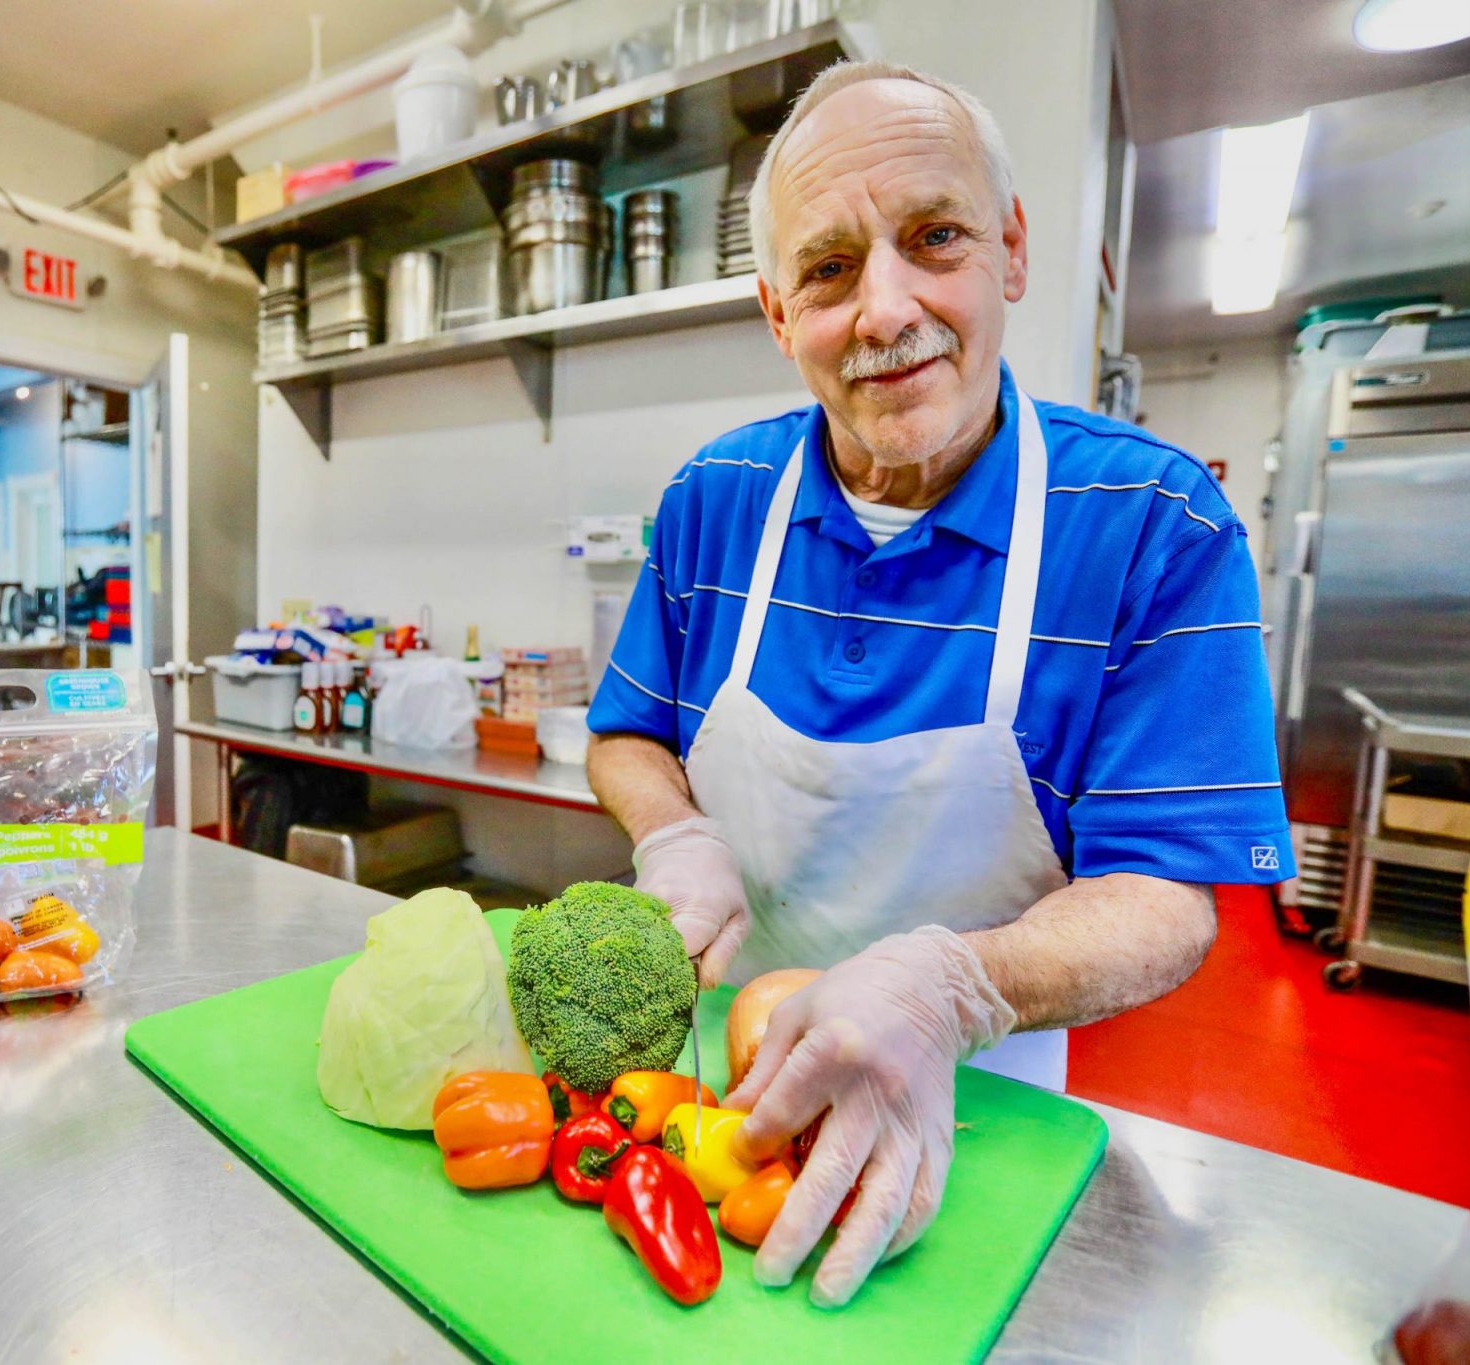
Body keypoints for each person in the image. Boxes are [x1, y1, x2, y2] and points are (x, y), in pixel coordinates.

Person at [585, 60, 1295, 1307]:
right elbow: (626, 733)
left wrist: (950, 988)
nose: (883, 310)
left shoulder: (1152, 524)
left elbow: (1165, 899)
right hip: (715, 1098)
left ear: (1008, 249)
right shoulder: (714, 498)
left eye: (933, 238)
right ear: (776, 313)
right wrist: (672, 833)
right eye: (827, 269)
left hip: (980, 1102)